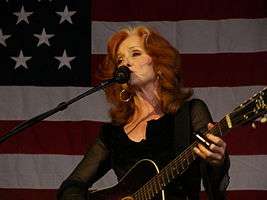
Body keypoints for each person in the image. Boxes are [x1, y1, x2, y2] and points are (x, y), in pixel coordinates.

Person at [57, 26, 230, 200]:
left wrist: (218, 162)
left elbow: (214, 189)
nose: (125, 63)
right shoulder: (113, 134)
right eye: (120, 60)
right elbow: (71, 187)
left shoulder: (189, 113)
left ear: (159, 64)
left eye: (135, 53)